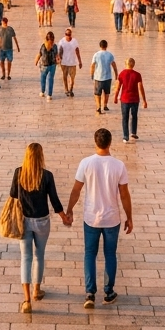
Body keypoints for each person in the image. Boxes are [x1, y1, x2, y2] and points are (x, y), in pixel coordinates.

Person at [65, 127, 133, 309]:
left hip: (91, 218)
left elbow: (76, 190)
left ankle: (90, 293)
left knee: (90, 254)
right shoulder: (118, 165)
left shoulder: (86, 163)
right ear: (110, 143)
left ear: (95, 142)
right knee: (110, 254)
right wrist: (129, 217)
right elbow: (124, 195)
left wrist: (69, 210)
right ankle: (109, 292)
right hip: (112, 218)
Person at [10, 143, 69, 313]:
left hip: (24, 221)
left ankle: (27, 300)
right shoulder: (47, 175)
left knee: (25, 258)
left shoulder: (19, 173)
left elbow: (13, 195)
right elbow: (54, 200)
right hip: (42, 221)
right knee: (39, 255)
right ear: (41, 156)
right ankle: (37, 290)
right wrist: (64, 217)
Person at [113, 57, 147, 143]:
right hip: (135, 99)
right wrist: (144, 100)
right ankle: (133, 132)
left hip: (124, 99)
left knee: (125, 117)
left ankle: (125, 136)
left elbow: (118, 87)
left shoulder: (122, 74)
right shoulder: (137, 75)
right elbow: (141, 88)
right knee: (134, 116)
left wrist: (115, 97)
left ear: (126, 64)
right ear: (133, 65)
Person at [91, 40, 116, 115]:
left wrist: (92, 73)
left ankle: (98, 107)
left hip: (98, 77)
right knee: (107, 92)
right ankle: (105, 105)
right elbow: (114, 65)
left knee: (97, 93)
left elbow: (93, 65)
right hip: (107, 76)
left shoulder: (96, 54)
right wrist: (116, 74)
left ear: (100, 46)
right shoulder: (110, 55)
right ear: (106, 46)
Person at [58, 28, 82, 98]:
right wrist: (58, 60)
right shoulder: (61, 41)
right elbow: (59, 52)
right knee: (64, 76)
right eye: (66, 34)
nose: (67, 36)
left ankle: (71, 89)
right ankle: (66, 89)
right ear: (65, 34)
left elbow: (77, 51)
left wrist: (80, 61)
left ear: (71, 34)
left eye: (69, 34)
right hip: (64, 63)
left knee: (72, 78)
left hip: (72, 63)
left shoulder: (74, 41)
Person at [35, 31, 59, 100]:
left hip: (46, 65)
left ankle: (44, 92)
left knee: (45, 78)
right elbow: (56, 55)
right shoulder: (53, 46)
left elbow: (40, 54)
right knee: (49, 79)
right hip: (50, 65)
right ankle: (48, 94)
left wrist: (36, 60)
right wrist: (58, 60)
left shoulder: (44, 46)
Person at [0, 17, 19, 81]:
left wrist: (18, 47)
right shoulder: (0, 29)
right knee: (2, 62)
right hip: (2, 48)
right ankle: (3, 74)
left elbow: (14, 38)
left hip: (9, 49)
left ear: (4, 22)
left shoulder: (10, 29)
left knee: (9, 62)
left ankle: (8, 75)